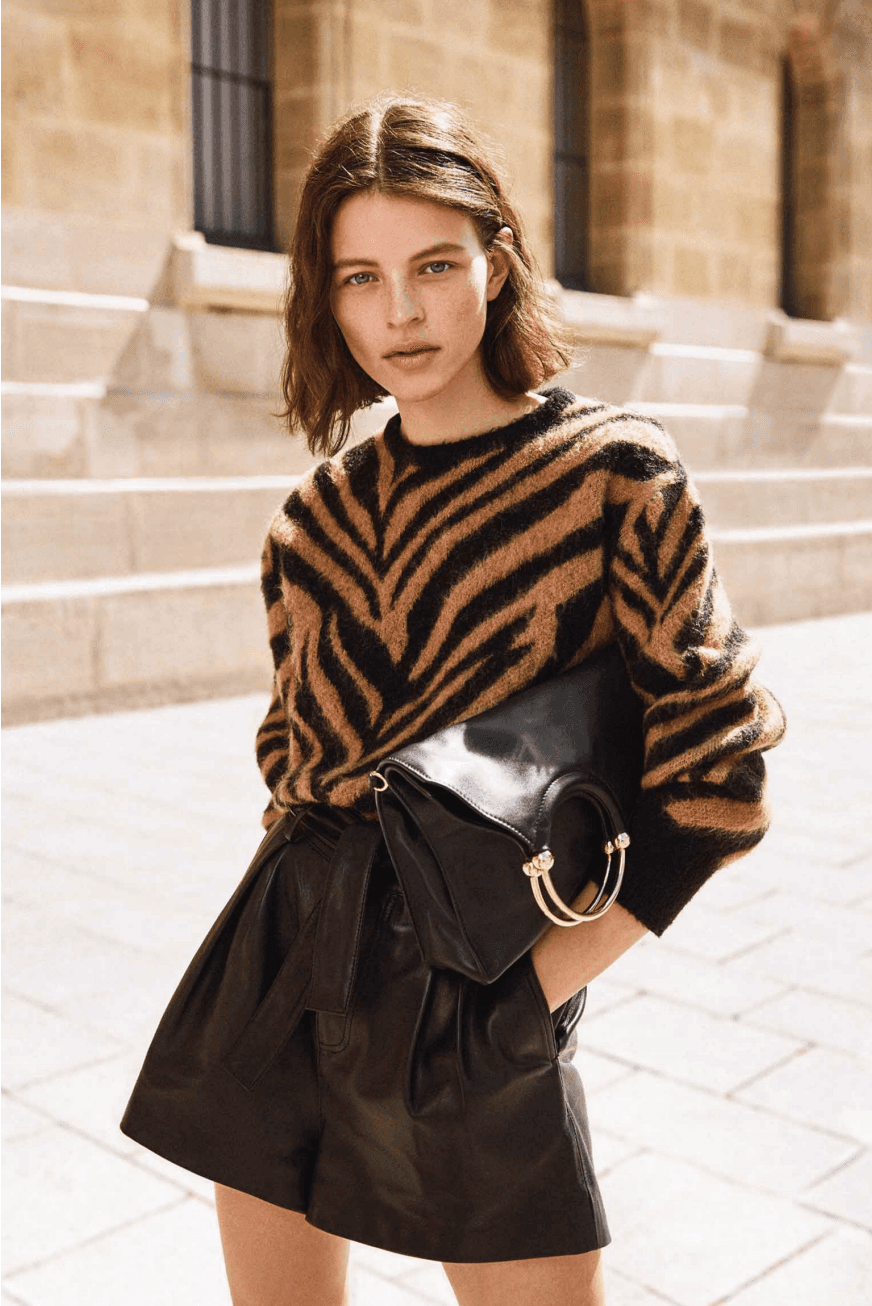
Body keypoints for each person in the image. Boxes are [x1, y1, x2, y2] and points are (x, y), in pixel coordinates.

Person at [120, 95, 786, 1306]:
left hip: (477, 984)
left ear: (497, 260)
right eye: (358, 277)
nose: (401, 312)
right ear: (324, 298)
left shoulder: (613, 474)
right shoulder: (310, 522)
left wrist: (533, 987)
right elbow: (293, 763)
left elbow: (718, 781)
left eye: (433, 265)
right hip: (277, 969)